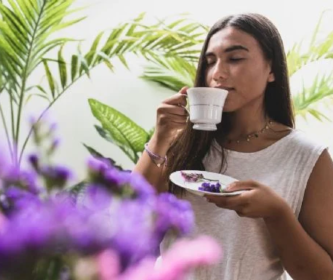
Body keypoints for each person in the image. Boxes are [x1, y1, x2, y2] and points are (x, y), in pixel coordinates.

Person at [134, 13, 333, 280]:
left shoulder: (306, 157)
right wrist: (159, 139)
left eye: (235, 58)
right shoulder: (180, 142)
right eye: (209, 62)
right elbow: (130, 218)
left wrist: (277, 213)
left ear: (272, 70)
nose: (217, 73)